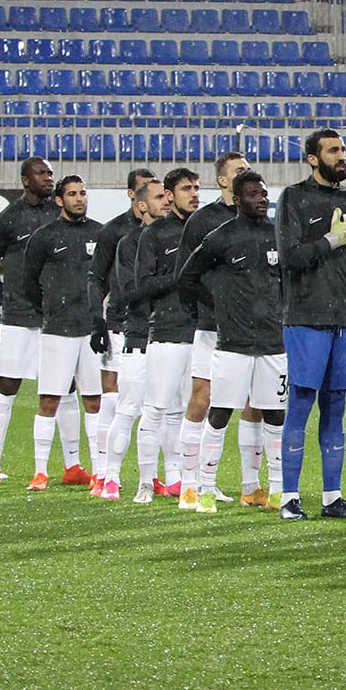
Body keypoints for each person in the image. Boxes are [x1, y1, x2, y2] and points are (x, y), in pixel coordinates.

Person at [178, 170, 288, 517]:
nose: (262, 199)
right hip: (232, 344)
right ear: (237, 200)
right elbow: (186, 278)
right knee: (220, 413)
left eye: (264, 193)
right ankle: (205, 490)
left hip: (273, 342)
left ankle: (278, 490)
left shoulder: (278, 235)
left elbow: (290, 281)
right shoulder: (221, 237)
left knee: (275, 415)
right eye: (254, 194)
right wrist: (218, 304)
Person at [276, 128, 346, 522]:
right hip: (305, 317)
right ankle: (289, 498)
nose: (341, 156)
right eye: (333, 151)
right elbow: (290, 258)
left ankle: (332, 497)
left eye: (343, 149)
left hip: (344, 321)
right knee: (300, 404)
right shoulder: (293, 198)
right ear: (313, 158)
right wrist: (333, 239)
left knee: (336, 407)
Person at [19, 176, 104, 491]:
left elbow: (109, 276)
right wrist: (49, 308)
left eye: (83, 193)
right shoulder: (44, 237)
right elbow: (28, 281)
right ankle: (40, 471)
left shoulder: (100, 233)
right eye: (72, 194)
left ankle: (99, 471)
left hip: (91, 329)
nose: (79, 199)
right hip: (57, 329)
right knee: (49, 399)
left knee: (94, 400)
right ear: (59, 200)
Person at [179, 151, 253, 507]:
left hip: (252, 330)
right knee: (203, 398)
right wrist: (215, 306)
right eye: (239, 170)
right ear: (223, 180)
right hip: (212, 326)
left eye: (248, 169)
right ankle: (188, 483)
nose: (246, 173)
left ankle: (247, 485)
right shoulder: (203, 221)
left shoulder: (256, 219)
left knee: (252, 404)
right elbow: (185, 275)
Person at [0, 156, 59, 480]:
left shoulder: (59, 214)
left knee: (63, 388)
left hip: (56, 317)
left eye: (50, 173)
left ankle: (72, 466)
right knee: (7, 385)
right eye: (41, 173)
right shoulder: (11, 217)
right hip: (18, 316)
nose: (48, 178)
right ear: (25, 180)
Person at [87, 167, 157, 495]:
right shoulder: (115, 232)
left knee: (157, 404)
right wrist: (97, 320)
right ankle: (104, 472)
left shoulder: (167, 232)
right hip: (121, 322)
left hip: (159, 327)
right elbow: (96, 277)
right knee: (115, 397)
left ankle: (154, 475)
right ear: (134, 196)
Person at [101, 177, 171, 500]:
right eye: (158, 197)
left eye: (166, 196)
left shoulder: (176, 236)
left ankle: (158, 478)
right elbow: (130, 291)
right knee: (128, 408)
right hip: (139, 335)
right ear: (142, 206)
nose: (166, 201)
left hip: (170, 335)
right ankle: (110, 477)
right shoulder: (129, 243)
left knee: (165, 412)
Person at [133, 168, 200, 505]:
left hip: (202, 332)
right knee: (156, 408)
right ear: (170, 195)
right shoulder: (155, 234)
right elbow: (142, 285)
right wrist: (183, 276)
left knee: (194, 412)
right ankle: (145, 483)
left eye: (196, 187)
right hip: (167, 332)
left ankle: (191, 482)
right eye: (186, 188)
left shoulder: (205, 229)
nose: (194, 193)